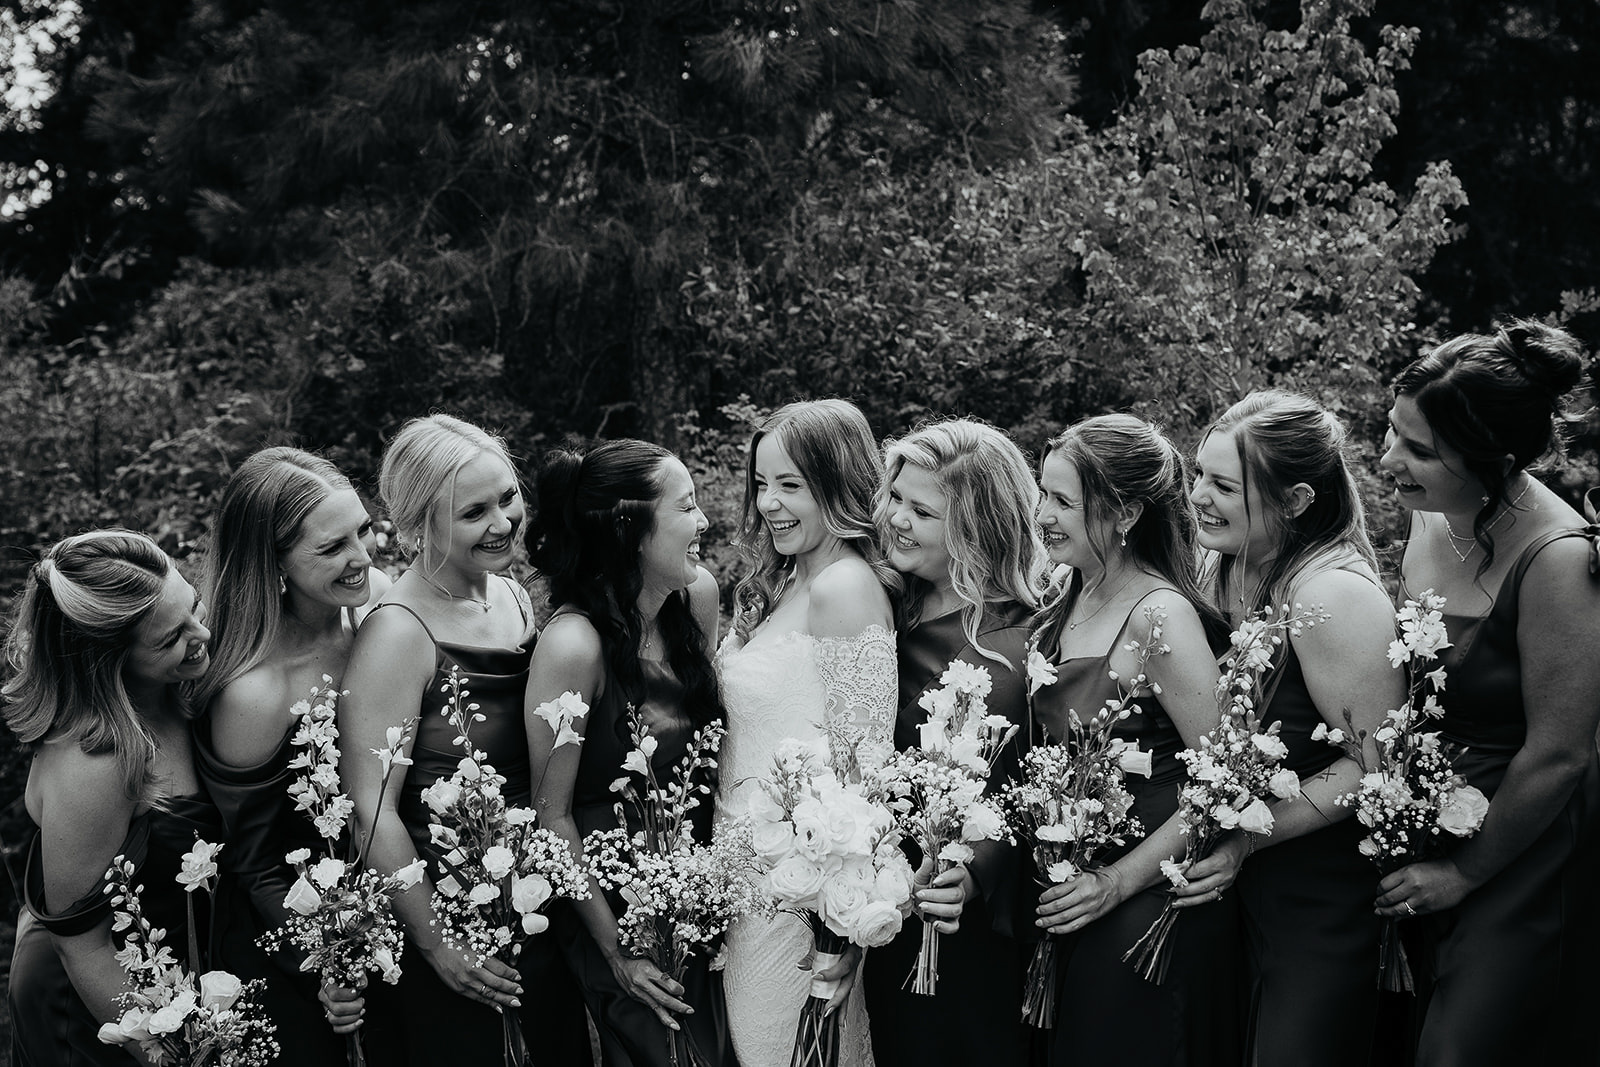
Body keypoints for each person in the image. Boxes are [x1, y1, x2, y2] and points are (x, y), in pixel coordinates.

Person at [1374, 319, 1600, 1065]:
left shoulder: (1558, 558)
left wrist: (1466, 871)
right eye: (1391, 431)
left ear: (1492, 461)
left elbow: (1562, 751)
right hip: (1421, 829)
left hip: (1522, 851)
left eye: (1419, 451)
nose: (1388, 460)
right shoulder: (1429, 519)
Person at [338, 414, 590, 1066]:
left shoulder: (511, 595)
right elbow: (373, 808)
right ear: (420, 525)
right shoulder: (395, 633)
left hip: (531, 918)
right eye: (475, 511)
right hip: (451, 934)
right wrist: (441, 943)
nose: (505, 522)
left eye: (508, 497)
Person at [1169, 390, 1403, 1067]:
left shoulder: (1333, 595)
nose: (1197, 497)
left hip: (1311, 896)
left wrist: (1246, 834)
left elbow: (1373, 767)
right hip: (1226, 890)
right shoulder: (1222, 562)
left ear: (1297, 500)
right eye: (1197, 474)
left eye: (1221, 485)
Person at [1028, 415, 1240, 1066]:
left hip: (1142, 906)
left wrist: (1116, 882)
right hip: (1072, 894)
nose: (1043, 514)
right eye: (1043, 493)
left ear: (1125, 513)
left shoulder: (1159, 615)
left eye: (1064, 501)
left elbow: (1224, 775)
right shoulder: (1066, 592)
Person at [524, 438, 733, 1067]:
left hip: (698, 891)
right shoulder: (572, 646)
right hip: (609, 903)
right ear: (632, 528)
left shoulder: (695, 599)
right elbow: (550, 815)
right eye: (687, 507)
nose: (703, 524)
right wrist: (618, 951)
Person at [716, 400, 897, 1067]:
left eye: (790, 484)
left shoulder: (844, 585)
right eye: (761, 484)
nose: (769, 502)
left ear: (838, 481)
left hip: (796, 901)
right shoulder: (789, 577)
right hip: (743, 889)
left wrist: (840, 925)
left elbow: (865, 769)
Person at [191, 447, 388, 1060]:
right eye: (332, 549)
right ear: (272, 562)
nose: (362, 557)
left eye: (363, 530)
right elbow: (255, 867)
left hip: (403, 912)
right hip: (307, 954)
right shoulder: (255, 693)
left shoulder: (376, 607)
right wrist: (327, 959)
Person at [863, 418, 1042, 1067]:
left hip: (972, 918)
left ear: (977, 523)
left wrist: (975, 869)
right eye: (896, 499)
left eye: (922, 510)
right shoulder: (878, 609)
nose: (896, 519)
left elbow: (1034, 790)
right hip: (876, 909)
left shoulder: (1030, 640)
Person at [5, 530, 221, 1066]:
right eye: (172, 637)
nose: (204, 633)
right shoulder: (96, 760)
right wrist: (173, 1051)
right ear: (109, 660)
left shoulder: (173, 691)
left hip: (169, 974)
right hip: (93, 1002)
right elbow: (82, 944)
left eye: (193, 607)